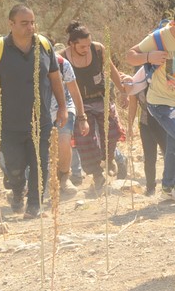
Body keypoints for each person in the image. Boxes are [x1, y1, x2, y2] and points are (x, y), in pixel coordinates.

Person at [0, 4, 68, 218]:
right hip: (9, 123)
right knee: (14, 166)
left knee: (40, 163)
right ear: (11, 24)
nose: (30, 27)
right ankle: (18, 191)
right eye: (24, 23)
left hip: (42, 120)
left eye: (32, 22)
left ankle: (34, 205)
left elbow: (55, 79)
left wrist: (63, 107)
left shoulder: (44, 45)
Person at [125, 3, 175, 204]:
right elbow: (130, 56)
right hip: (161, 103)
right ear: (174, 24)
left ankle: (167, 189)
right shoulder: (159, 37)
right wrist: (149, 56)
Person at [60, 21, 128, 190]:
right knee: (86, 140)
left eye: (88, 44)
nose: (86, 49)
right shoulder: (62, 57)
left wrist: (123, 91)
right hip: (80, 104)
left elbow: (111, 70)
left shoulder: (98, 49)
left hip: (101, 99)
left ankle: (110, 158)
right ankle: (97, 175)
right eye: (82, 46)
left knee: (112, 132)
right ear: (71, 44)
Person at [50, 45, 90, 198]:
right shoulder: (26, 65)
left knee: (64, 140)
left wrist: (82, 118)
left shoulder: (62, 63)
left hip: (64, 108)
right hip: (40, 112)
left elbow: (74, 91)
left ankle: (64, 178)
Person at [126, 75, 166, 196]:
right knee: (149, 157)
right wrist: (129, 127)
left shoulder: (162, 77)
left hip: (164, 123)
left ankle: (169, 185)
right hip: (146, 123)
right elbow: (133, 105)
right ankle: (150, 187)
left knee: (168, 154)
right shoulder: (137, 81)